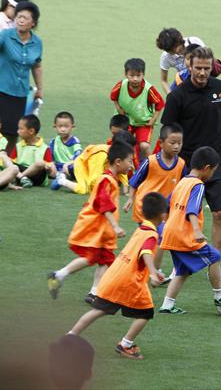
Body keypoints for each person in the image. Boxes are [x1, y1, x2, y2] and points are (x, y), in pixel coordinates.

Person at [161, 46, 221, 280]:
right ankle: (180, 261)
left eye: (206, 68)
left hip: (218, 161)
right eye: (198, 68)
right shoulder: (177, 96)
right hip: (188, 164)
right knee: (181, 215)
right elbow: (168, 131)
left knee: (220, 214)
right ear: (189, 66)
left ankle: (215, 263)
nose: (202, 73)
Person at [67, 192, 167, 360]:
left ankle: (70, 336)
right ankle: (125, 344)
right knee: (145, 313)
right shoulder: (151, 234)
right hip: (130, 282)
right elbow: (146, 252)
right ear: (163, 215)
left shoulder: (141, 229)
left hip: (114, 276)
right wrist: (154, 273)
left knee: (99, 310)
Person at [48, 142, 135, 304]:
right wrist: (115, 226)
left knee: (106, 259)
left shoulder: (110, 179)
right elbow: (103, 204)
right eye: (130, 161)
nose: (132, 165)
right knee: (92, 258)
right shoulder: (106, 180)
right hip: (96, 228)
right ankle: (59, 275)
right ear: (118, 162)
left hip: (103, 230)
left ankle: (94, 292)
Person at [158, 146, 221, 314]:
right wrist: (196, 230)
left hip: (170, 233)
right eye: (213, 171)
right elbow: (192, 209)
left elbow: (167, 204)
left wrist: (162, 226)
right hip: (184, 235)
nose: (212, 175)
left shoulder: (182, 182)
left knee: (183, 271)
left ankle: (167, 304)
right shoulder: (198, 185)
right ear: (207, 168)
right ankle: (219, 295)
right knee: (215, 256)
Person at [0, 1, 43, 154]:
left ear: (33, 22)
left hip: (19, 93)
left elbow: (36, 65)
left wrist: (40, 89)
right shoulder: (6, 35)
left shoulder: (37, 43)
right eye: (18, 17)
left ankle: (5, 163)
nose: (20, 20)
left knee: (13, 132)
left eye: (25, 17)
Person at [124, 123, 185, 224]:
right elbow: (135, 181)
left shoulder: (181, 164)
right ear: (161, 143)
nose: (176, 146)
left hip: (165, 211)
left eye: (179, 143)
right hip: (146, 209)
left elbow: (182, 186)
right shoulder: (150, 161)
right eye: (173, 143)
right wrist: (130, 198)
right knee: (147, 236)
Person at [110, 58, 164, 163]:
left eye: (138, 76)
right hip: (126, 122)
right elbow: (113, 96)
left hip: (143, 123)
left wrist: (153, 120)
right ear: (126, 74)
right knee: (120, 142)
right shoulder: (121, 85)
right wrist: (118, 108)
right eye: (132, 75)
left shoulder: (149, 89)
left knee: (144, 146)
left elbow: (160, 104)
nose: (135, 79)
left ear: (143, 74)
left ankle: (150, 166)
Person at [52, 130, 134, 195]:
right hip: (82, 165)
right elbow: (94, 180)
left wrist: (125, 192)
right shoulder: (101, 155)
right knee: (83, 189)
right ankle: (61, 180)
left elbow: (122, 174)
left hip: (93, 166)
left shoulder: (118, 154)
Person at [9, 115, 54, 188]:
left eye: (21, 129)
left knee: (40, 163)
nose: (18, 131)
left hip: (37, 177)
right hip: (21, 170)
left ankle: (21, 177)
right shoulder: (18, 146)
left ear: (31, 131)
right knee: (6, 158)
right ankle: (23, 178)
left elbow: (51, 172)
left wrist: (49, 169)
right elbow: (11, 164)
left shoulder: (45, 148)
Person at [155, 27, 205, 94]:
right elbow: (164, 81)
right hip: (185, 81)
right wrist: (171, 95)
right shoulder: (165, 57)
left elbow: (208, 61)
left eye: (176, 47)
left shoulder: (194, 41)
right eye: (171, 51)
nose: (176, 51)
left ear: (180, 41)